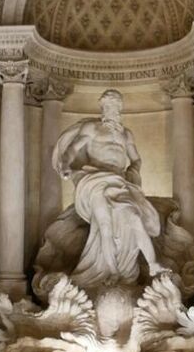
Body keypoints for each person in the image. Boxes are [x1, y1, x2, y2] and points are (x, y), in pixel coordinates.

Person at [51, 89, 165, 290]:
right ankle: (111, 270)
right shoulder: (92, 128)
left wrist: (133, 170)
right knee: (104, 225)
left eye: (116, 106)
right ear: (102, 107)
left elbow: (136, 159)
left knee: (134, 217)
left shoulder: (126, 134)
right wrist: (67, 165)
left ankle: (153, 264)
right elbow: (72, 150)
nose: (113, 110)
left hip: (119, 182)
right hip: (95, 180)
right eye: (109, 106)